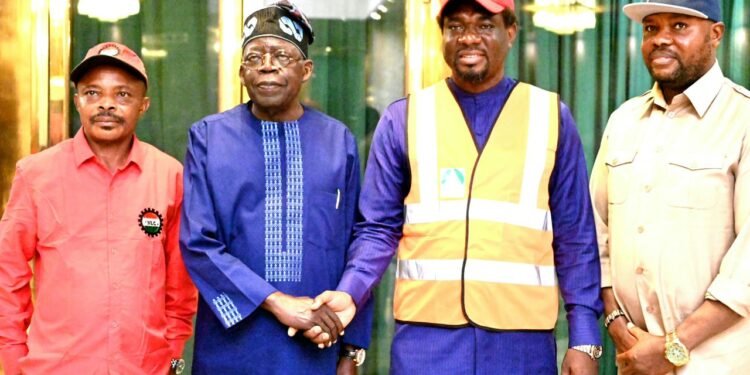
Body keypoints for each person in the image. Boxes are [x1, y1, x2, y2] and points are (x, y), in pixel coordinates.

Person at [312, 0, 603, 373]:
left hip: (520, 341)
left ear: (510, 33)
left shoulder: (550, 117)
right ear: (442, 37)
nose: (468, 38)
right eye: (456, 27)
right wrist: (350, 291)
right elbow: (377, 229)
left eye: (484, 26)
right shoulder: (405, 117)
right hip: (427, 341)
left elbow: (575, 236)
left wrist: (583, 336)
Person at [179, 2, 373, 374]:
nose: (267, 64)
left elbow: (359, 241)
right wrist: (277, 301)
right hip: (232, 346)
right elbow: (198, 244)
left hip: (318, 344)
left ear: (306, 70)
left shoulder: (338, 141)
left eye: (281, 55)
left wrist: (352, 350)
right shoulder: (208, 138)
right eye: (255, 56)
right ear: (241, 73)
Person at [0, 41, 197, 374]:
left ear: (143, 105)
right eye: (93, 93)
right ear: (77, 101)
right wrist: (14, 361)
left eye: (122, 95)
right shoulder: (36, 175)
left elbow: (179, 290)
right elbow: (8, 276)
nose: (107, 104)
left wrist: (173, 358)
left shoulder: (169, 176)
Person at [591, 0, 750, 373]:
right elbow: (594, 233)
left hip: (718, 362)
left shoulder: (742, 119)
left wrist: (672, 346)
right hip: (632, 358)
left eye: (679, 26)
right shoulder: (624, 120)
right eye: (651, 28)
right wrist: (616, 324)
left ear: (715, 35)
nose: (661, 39)